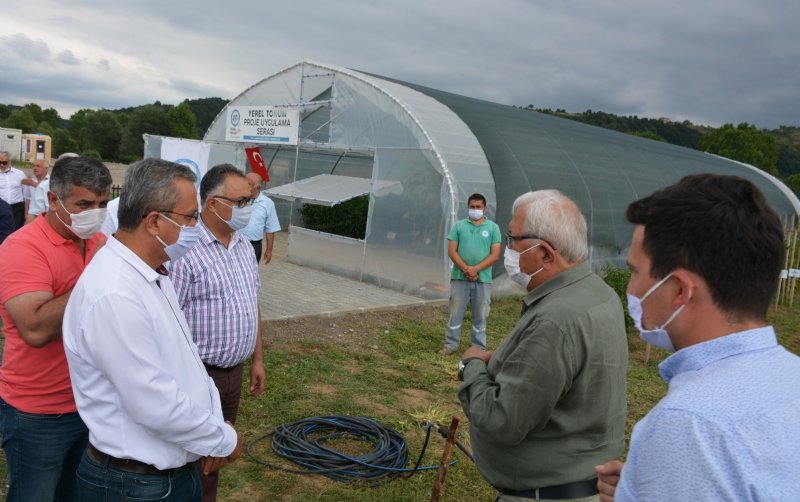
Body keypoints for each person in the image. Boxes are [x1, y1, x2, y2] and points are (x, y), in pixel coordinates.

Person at [595, 174, 800, 501]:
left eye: (635, 272)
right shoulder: (791, 375)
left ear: (678, 290)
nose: (631, 289)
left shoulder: (688, 426)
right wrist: (648, 482)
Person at [62, 158, 242, 502]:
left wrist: (213, 425)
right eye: (191, 217)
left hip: (164, 476)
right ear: (155, 222)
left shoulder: (150, 272)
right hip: (134, 485)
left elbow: (183, 361)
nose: (197, 227)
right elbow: (153, 401)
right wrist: (223, 439)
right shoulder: (116, 293)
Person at [458, 189, 628, 502]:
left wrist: (472, 366)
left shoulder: (556, 320)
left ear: (546, 254)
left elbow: (502, 421)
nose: (508, 249)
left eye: (512, 239)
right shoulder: (599, 293)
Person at [0, 156, 111, 501]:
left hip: (90, 403)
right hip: (38, 412)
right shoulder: (22, 248)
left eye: (102, 204)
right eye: (84, 204)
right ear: (52, 200)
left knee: (76, 494)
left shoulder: (99, 243)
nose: (95, 212)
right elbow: (34, 329)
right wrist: (94, 282)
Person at [170, 164, 265, 502]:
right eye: (240, 202)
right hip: (198, 374)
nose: (248, 208)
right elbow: (168, 320)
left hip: (233, 375)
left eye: (249, 200)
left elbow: (252, 305)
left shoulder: (242, 247)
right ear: (212, 204)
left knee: (218, 453)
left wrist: (257, 359)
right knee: (191, 455)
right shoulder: (186, 252)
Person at [440, 193, 501, 355]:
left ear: (485, 208)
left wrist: (476, 269)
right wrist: (467, 269)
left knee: (480, 314)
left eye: (478, 207)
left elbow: (495, 255)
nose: (475, 210)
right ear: (468, 208)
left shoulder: (493, 228)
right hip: (460, 277)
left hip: (483, 279)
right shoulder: (459, 226)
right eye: (472, 207)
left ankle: (478, 347)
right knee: (455, 311)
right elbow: (452, 251)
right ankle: (450, 345)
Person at [240, 172, 280, 263]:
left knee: (251, 273)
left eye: (248, 184)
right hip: (235, 242)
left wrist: (269, 250)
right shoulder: (237, 199)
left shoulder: (268, 203)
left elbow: (270, 229)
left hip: (254, 246)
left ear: (258, 188)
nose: (244, 186)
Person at [0, 150, 30, 230]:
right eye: (0, 162)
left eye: (4, 162)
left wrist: (26, 213)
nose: (2, 165)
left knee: (16, 231)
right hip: (1, 208)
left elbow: (27, 194)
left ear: (10, 162)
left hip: (17, 208)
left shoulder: (20, 174)